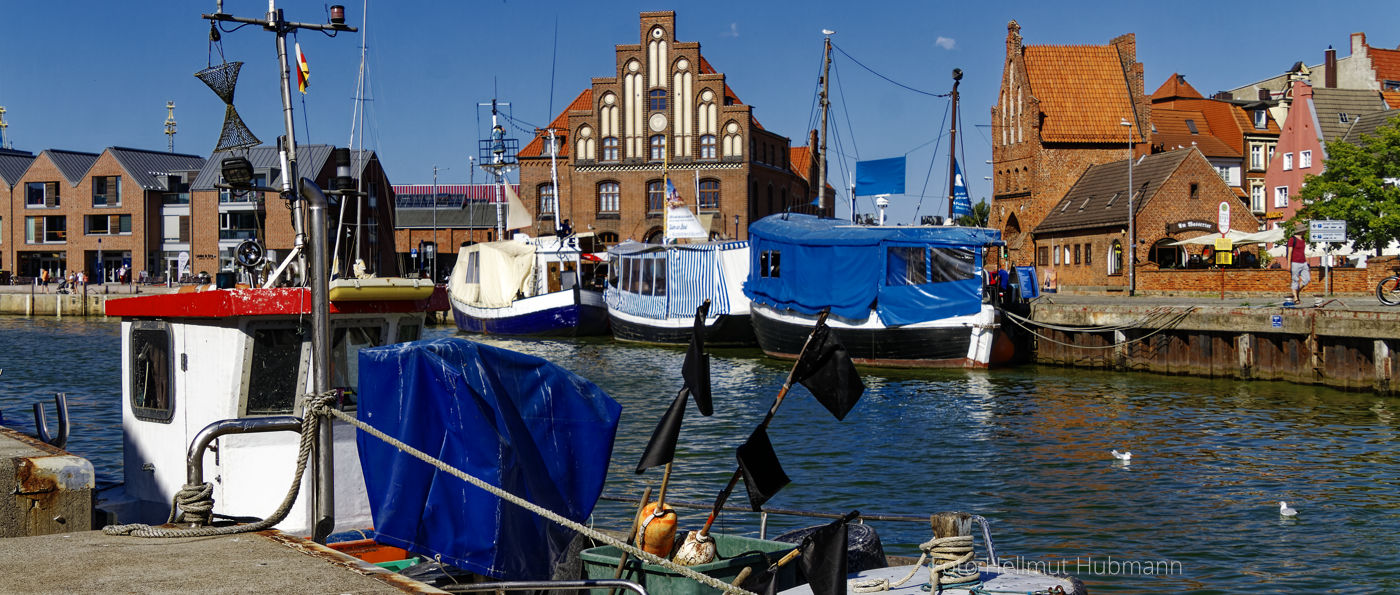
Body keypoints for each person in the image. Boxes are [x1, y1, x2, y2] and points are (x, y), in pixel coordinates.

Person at [1286, 229, 1311, 306]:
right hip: (1295, 262)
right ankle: (1296, 298)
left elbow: (1302, 252)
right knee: (1295, 280)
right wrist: (1289, 264)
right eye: (1304, 230)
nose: (1306, 231)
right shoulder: (1292, 239)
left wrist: (1306, 260)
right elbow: (1289, 252)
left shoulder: (1303, 239)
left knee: (1307, 279)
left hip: (1303, 262)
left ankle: (1296, 292)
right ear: (1301, 231)